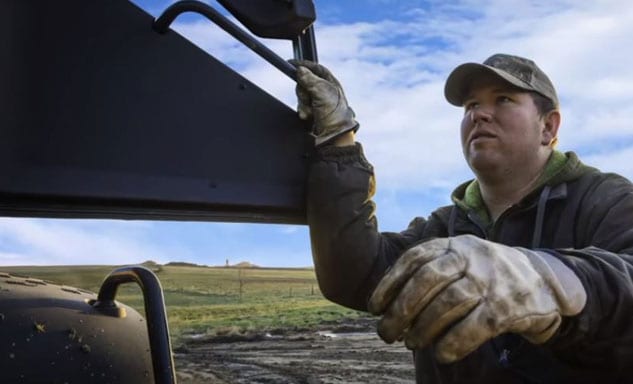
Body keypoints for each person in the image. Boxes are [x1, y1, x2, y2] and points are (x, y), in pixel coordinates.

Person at [291, 54, 633, 383]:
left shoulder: (605, 199)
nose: (480, 114)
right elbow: (355, 275)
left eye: (503, 99)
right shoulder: (442, 229)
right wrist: (338, 142)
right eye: (471, 105)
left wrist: (548, 281)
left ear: (548, 126)